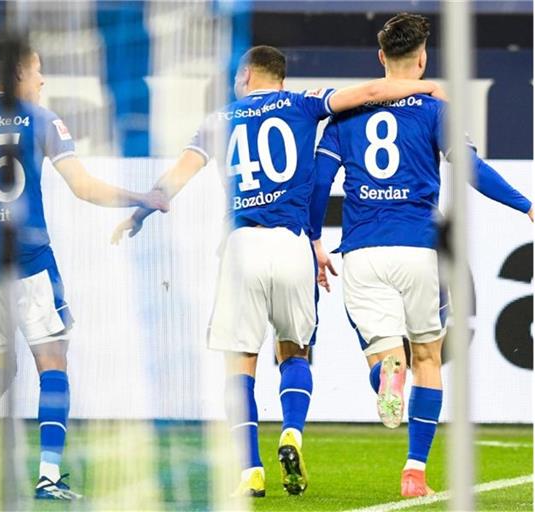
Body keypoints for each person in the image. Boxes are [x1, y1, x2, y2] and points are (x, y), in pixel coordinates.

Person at [112, 44, 446, 497]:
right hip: (293, 245)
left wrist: (140, 212)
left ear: (246, 76)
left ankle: (250, 469)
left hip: (242, 245)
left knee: (240, 364)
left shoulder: (219, 119)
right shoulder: (304, 103)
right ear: (281, 79)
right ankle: (292, 433)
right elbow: (370, 92)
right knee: (295, 352)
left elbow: (173, 181)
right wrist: (426, 87)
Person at [0, 36, 168, 501]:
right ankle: (48, 475)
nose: (43, 80)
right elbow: (83, 187)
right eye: (38, 70)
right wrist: (141, 197)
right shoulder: (40, 119)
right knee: (53, 364)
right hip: (29, 261)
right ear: (19, 73)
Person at [308, 13, 533, 498]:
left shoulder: (345, 113)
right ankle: (414, 472)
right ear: (423, 59)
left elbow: (320, 183)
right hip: (420, 249)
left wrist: (313, 239)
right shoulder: (435, 110)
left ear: (381, 57)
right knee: (427, 357)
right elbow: (471, 169)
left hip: (364, 251)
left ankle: (385, 377)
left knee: (386, 357)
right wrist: (528, 205)